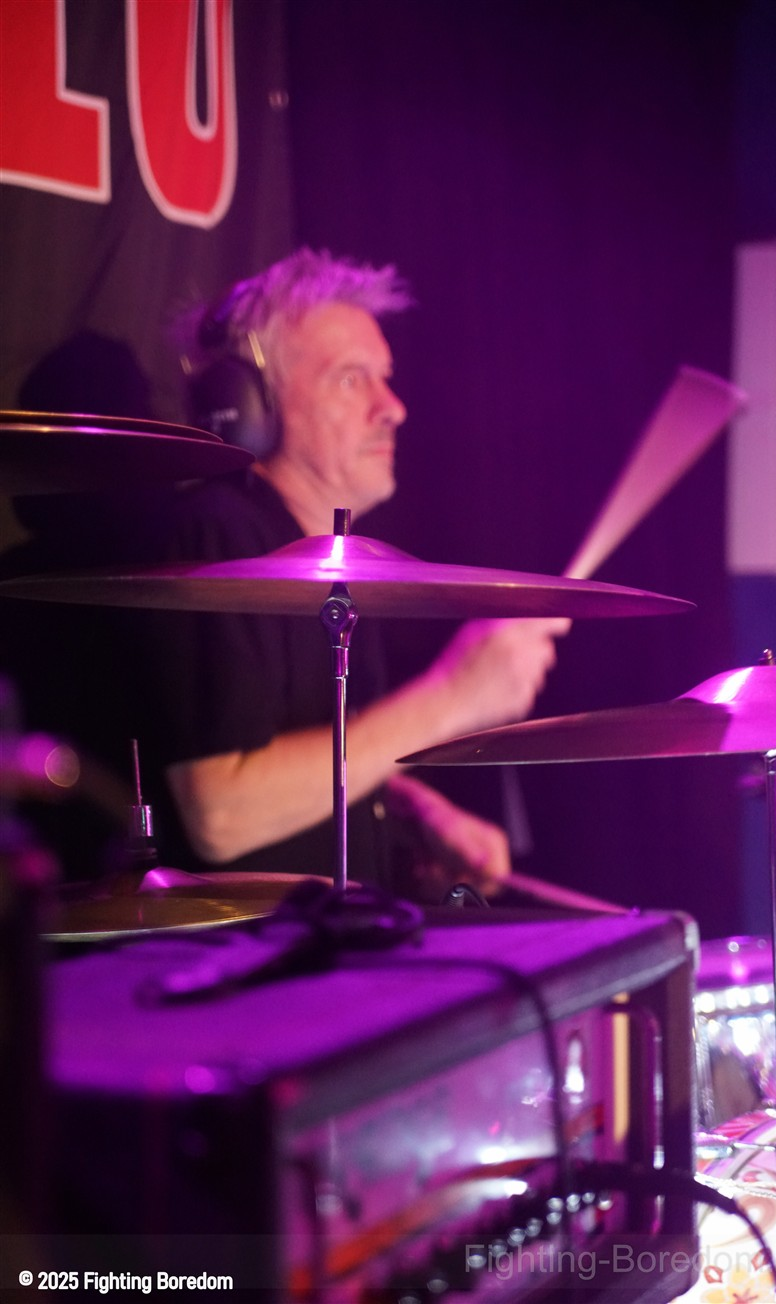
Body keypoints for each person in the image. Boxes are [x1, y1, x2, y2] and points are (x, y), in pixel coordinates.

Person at [138, 247, 565, 901]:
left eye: (384, 378)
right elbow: (221, 812)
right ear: (253, 404)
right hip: (252, 959)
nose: (392, 406)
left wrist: (410, 808)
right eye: (350, 379)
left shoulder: (334, 563)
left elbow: (316, 751)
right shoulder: (219, 538)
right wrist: (453, 697)